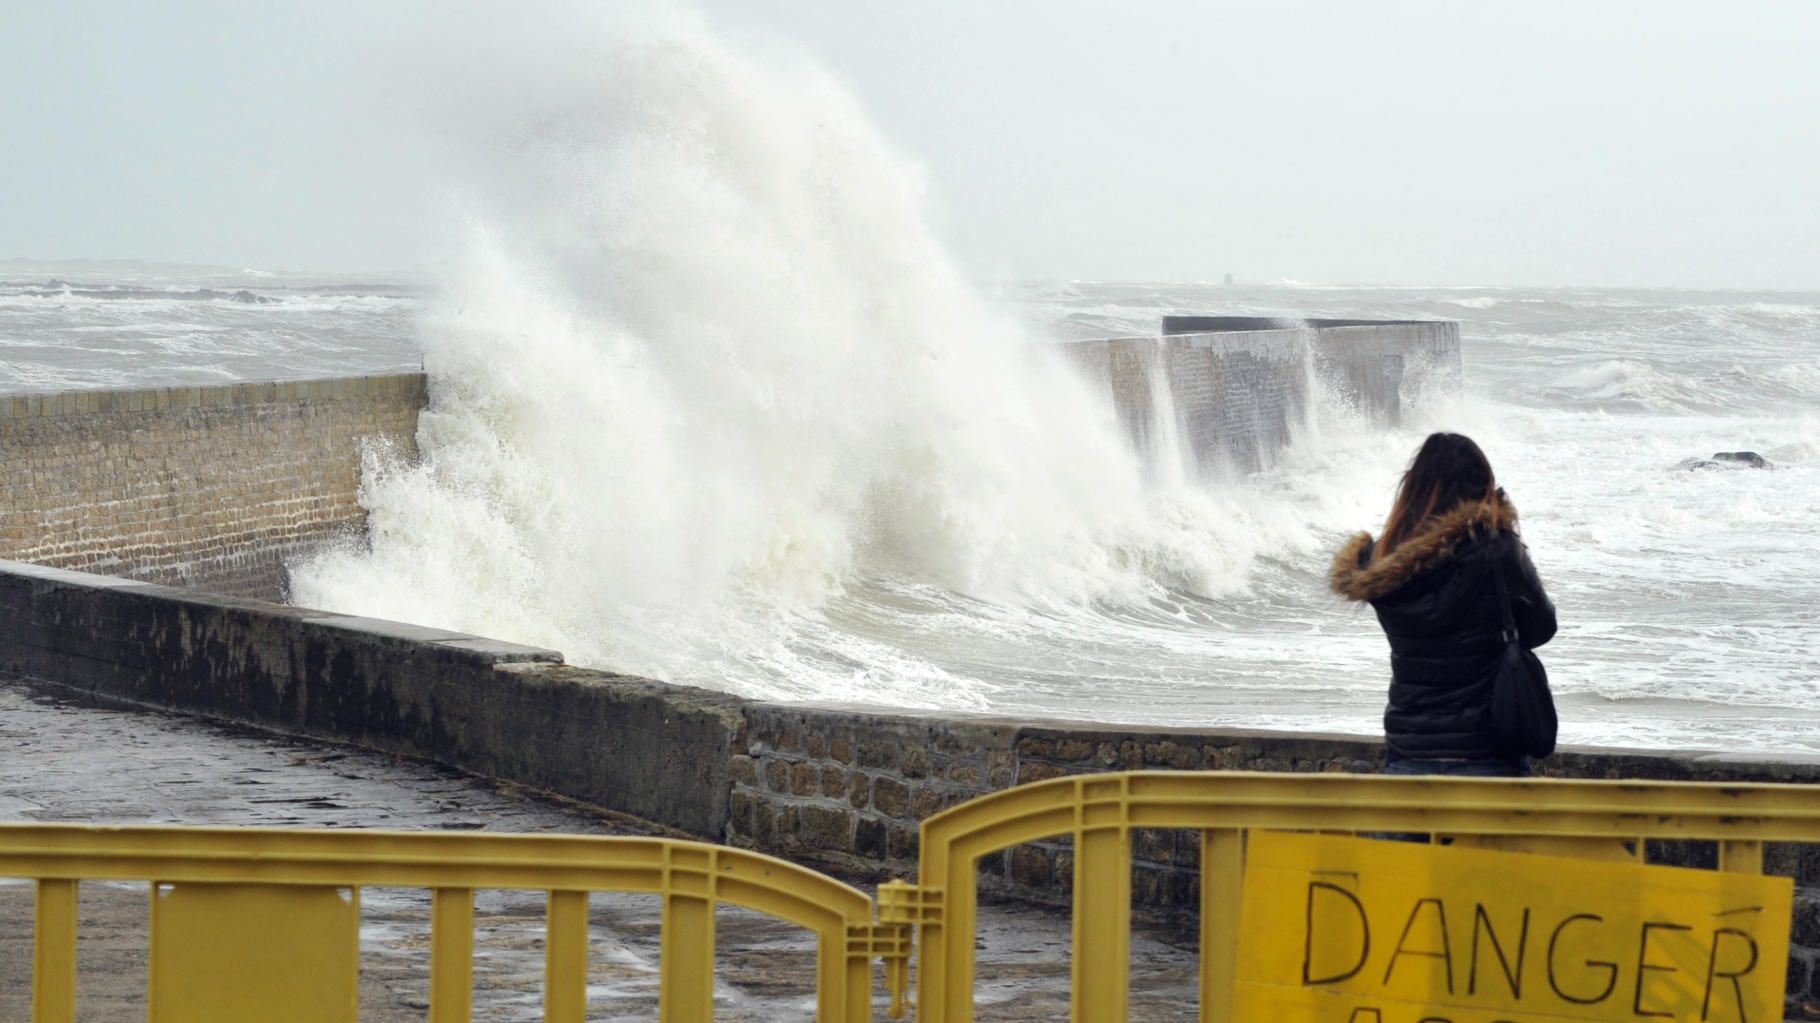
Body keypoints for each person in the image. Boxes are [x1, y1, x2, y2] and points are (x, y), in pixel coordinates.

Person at [1329, 432, 1556, 778]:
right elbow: (1543, 626)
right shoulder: (1497, 549)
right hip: (1488, 752)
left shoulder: (1379, 563)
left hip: (1410, 752)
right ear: (1480, 487)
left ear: (1412, 490)